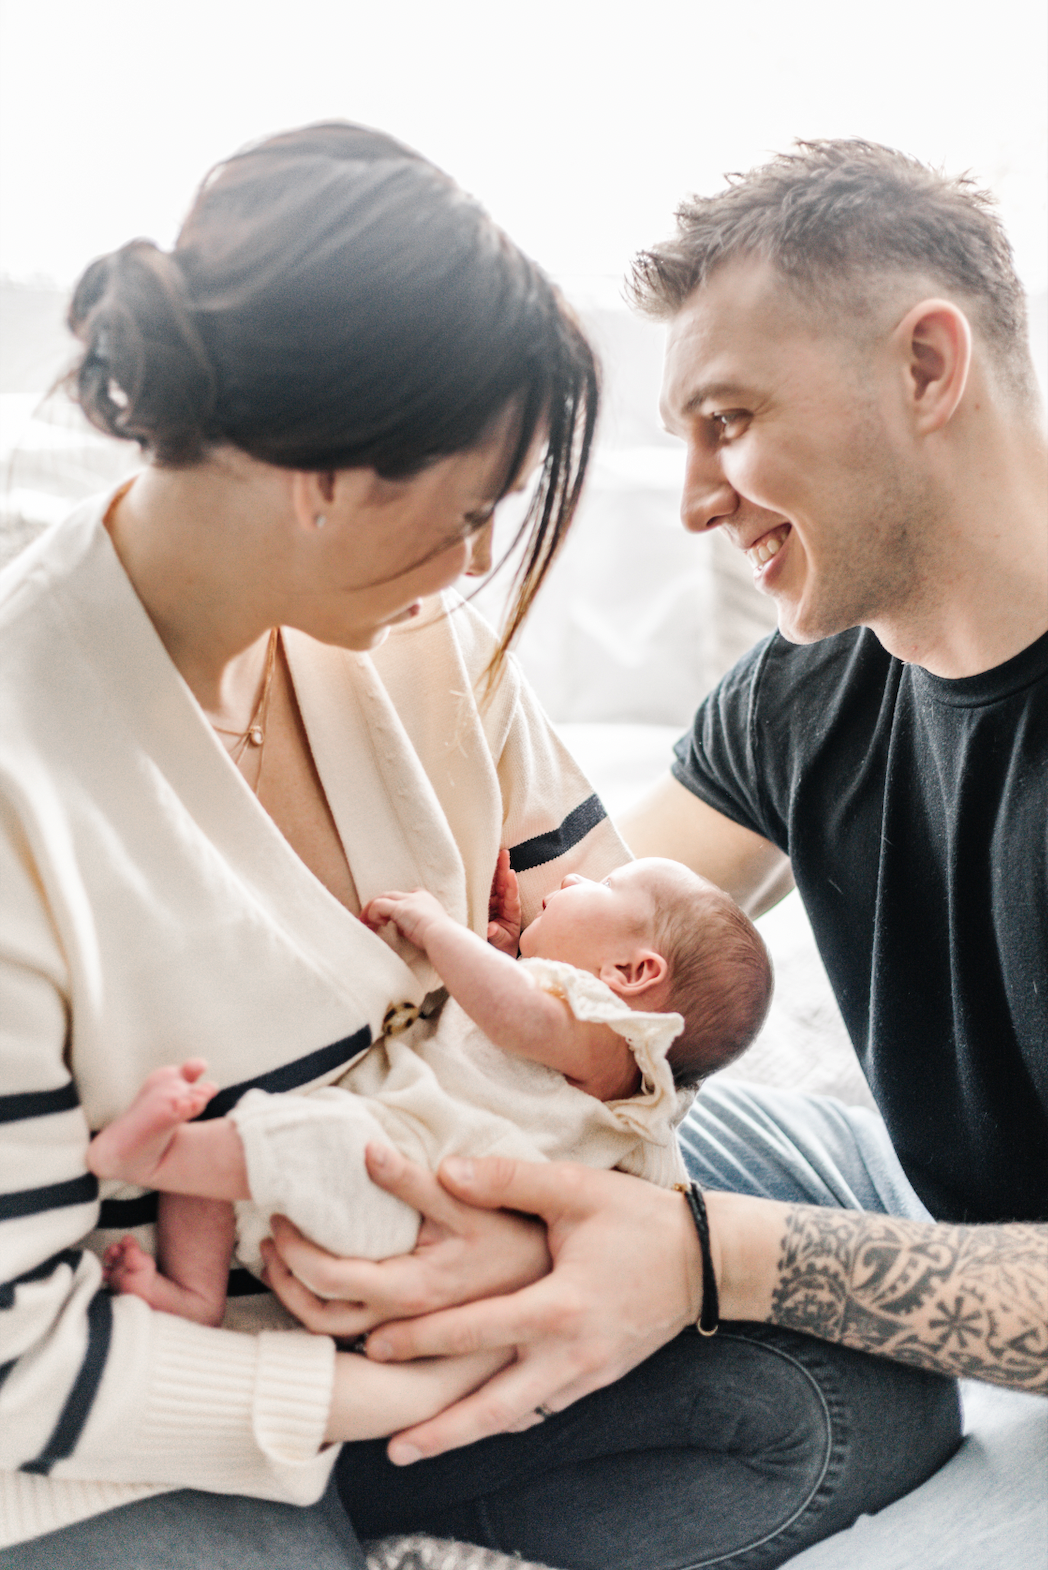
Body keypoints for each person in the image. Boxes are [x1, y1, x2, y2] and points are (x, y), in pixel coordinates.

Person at [0, 124, 960, 1570]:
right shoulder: (29, 770)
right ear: (318, 475)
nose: (476, 564)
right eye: (469, 512)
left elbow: (615, 1021)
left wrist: (544, 1259)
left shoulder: (418, 640)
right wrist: (416, 1378)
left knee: (859, 1399)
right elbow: (25, 1363)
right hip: (156, 1356)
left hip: (460, 1225)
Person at [252, 142, 1046, 1569]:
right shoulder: (811, 692)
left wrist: (688, 1251)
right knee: (520, 1159)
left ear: (929, 368)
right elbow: (628, 975)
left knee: (831, 1407)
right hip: (905, 1177)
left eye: (729, 421)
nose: (691, 500)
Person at [86, 856, 772, 1326]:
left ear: (630, 970)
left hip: (403, 1195)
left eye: (605, 884)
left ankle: (142, 1160)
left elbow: (520, 1015)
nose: (571, 876)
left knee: (293, 1141)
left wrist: (440, 930)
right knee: (246, 1140)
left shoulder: (617, 1040)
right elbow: (505, 1018)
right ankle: (194, 1295)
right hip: (369, 1192)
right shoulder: (587, 1041)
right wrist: (509, 946)